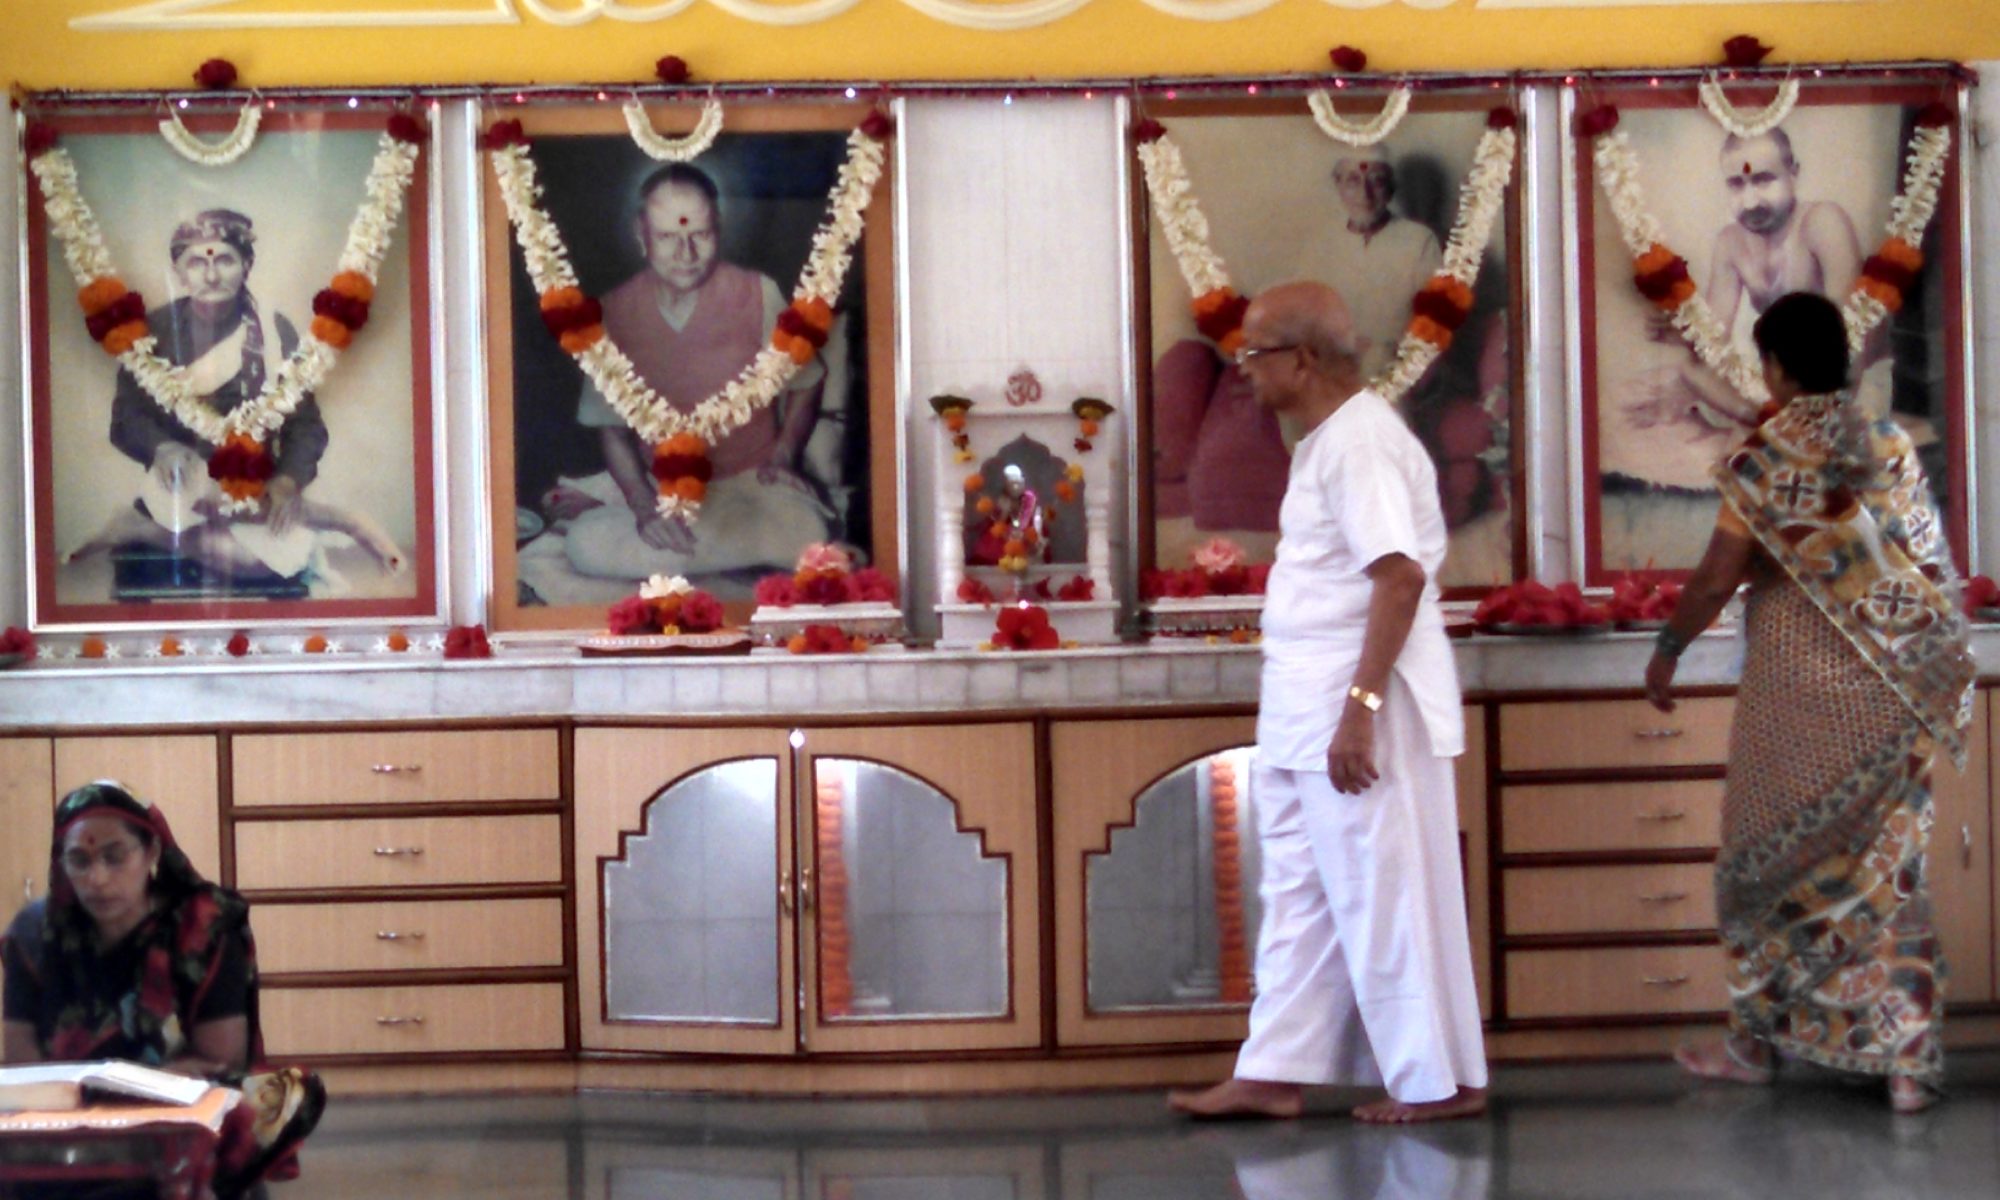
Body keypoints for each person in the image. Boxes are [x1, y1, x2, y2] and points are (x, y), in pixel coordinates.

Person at [1642, 291, 1973, 1115]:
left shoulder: (1765, 457)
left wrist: (1670, 647)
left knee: (1764, 872)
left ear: (1779, 369)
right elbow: (1925, 568)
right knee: (1887, 878)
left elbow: (1719, 576)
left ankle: (1755, 1046)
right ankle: (1904, 1065)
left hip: (1795, 699)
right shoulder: (1891, 444)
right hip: (1895, 696)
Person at [1168, 281, 1487, 1125]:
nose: (1243, 371)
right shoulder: (1326, 441)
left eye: (1255, 354)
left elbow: (1400, 576)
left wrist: (1360, 709)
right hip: (1306, 705)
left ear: (1303, 359)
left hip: (1357, 709)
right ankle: (1275, 1068)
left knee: (1382, 893)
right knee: (1301, 892)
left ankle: (1438, 1082)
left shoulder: (1361, 445)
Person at [2, 781, 324, 1197]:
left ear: (151, 853)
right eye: (79, 860)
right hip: (66, 1108)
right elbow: (22, 1060)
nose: (97, 878)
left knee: (287, 1095)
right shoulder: (33, 934)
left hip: (173, 1101)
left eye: (114, 857)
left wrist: (130, 1091)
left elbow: (218, 1058)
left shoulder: (202, 926)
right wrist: (82, 1101)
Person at [90, 208, 403, 589]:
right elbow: (126, 418)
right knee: (254, 562)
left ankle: (338, 521)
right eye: (196, 263)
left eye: (225, 260)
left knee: (280, 560)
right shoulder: (150, 333)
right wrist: (163, 447)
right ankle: (346, 521)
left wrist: (287, 481)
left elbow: (306, 425)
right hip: (181, 493)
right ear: (178, 272)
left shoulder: (273, 332)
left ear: (247, 264)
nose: (211, 275)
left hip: (257, 492)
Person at [557, 162, 835, 582]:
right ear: (641, 234)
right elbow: (611, 430)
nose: (685, 254)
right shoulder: (611, 312)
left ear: (718, 229)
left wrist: (784, 457)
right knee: (583, 545)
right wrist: (644, 508)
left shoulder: (759, 293)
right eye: (669, 237)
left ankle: (687, 553)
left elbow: (807, 381)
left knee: (807, 532)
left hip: (749, 485)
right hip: (659, 489)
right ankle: (716, 549)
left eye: (699, 235)